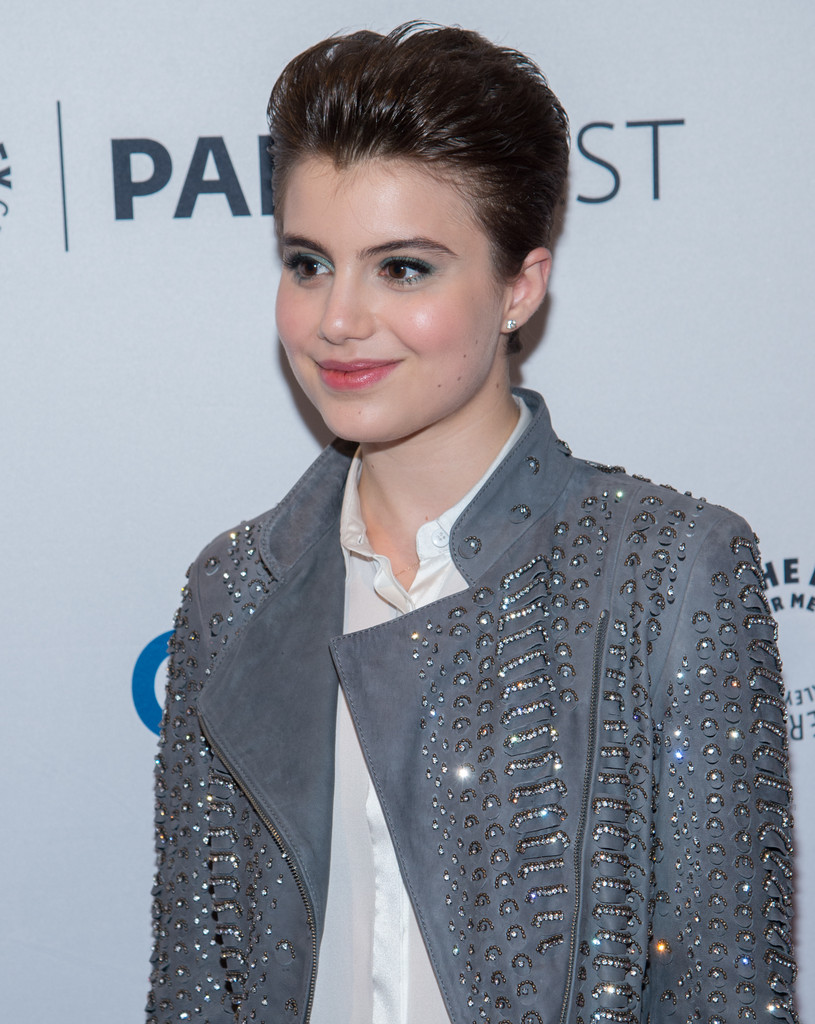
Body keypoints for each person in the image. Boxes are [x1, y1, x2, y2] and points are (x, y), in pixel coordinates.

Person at [147, 23, 798, 1024]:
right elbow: (194, 990)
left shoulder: (667, 571)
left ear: (518, 286)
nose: (336, 318)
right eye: (309, 262)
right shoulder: (233, 591)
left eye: (402, 268)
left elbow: (721, 993)